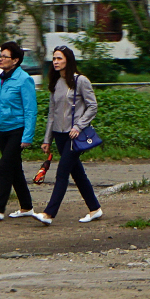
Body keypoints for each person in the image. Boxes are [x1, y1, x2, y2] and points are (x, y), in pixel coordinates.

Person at [34, 46, 103, 225]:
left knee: (62, 173)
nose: (56, 62)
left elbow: (92, 106)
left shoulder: (81, 81)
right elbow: (52, 113)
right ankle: (95, 208)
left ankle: (49, 213)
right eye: (54, 58)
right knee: (78, 174)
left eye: (59, 58)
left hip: (74, 136)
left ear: (68, 60)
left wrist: (79, 126)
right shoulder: (56, 82)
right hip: (59, 134)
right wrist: (47, 139)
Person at [0, 41, 38, 221]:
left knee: (6, 167)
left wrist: (27, 136)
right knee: (15, 169)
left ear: (15, 60)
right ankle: (27, 206)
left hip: (17, 130)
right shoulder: (1, 78)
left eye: (5, 56)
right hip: (2, 129)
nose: (1, 59)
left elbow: (30, 110)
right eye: (0, 56)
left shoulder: (24, 79)